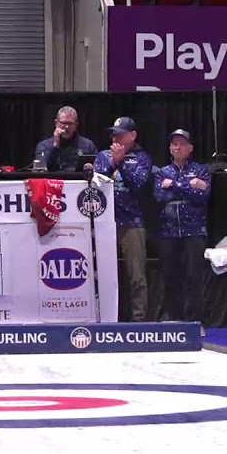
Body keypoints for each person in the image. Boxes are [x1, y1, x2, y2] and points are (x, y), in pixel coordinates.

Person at [93, 117, 154, 322]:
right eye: (113, 134)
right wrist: (112, 163)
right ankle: (105, 317)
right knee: (104, 274)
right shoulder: (103, 156)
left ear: (132, 136)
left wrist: (121, 163)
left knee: (136, 275)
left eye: (120, 134)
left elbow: (139, 185)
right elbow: (97, 183)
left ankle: (139, 319)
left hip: (132, 222)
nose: (115, 138)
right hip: (105, 223)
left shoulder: (142, 159)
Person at [154, 129, 212, 327]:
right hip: (168, 231)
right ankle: (173, 317)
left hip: (194, 230)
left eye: (182, 144)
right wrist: (189, 186)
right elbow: (159, 197)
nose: (178, 148)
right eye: (174, 144)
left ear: (190, 148)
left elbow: (202, 197)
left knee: (194, 276)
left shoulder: (201, 171)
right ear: (170, 148)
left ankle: (195, 321)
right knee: (171, 275)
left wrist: (173, 186)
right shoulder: (162, 172)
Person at [33, 106, 98, 172]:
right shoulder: (44, 146)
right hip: (53, 178)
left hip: (78, 178)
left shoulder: (88, 145)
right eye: (63, 123)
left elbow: (97, 168)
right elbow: (43, 169)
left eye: (70, 124)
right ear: (56, 123)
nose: (66, 127)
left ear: (76, 125)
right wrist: (55, 145)